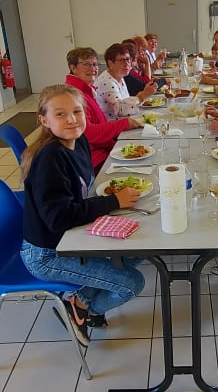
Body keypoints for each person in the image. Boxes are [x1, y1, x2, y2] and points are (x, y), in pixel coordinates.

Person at [20, 84, 145, 346]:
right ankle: (80, 307)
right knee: (132, 282)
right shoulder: (50, 158)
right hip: (48, 254)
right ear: (44, 120)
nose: (72, 119)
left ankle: (80, 301)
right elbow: (59, 218)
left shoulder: (79, 142)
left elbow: (81, 195)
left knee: (139, 250)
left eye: (77, 111)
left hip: (71, 237)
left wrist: (110, 201)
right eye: (61, 114)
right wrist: (113, 201)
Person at [65, 47, 140, 174]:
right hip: (93, 160)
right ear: (73, 67)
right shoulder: (74, 94)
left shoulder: (86, 90)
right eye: (86, 64)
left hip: (102, 149)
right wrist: (124, 124)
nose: (92, 68)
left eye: (95, 64)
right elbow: (88, 133)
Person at [95, 42, 158, 120]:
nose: (127, 64)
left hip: (122, 121)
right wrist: (143, 96)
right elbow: (120, 109)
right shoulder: (107, 81)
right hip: (113, 125)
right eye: (122, 60)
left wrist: (142, 95)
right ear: (110, 63)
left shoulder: (119, 76)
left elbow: (125, 100)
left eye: (128, 59)